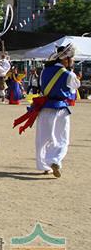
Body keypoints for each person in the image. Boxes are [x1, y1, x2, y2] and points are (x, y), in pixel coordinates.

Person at [32, 45, 80, 177]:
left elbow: (41, 86)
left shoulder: (44, 71)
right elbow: (75, 87)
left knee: (42, 139)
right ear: (66, 60)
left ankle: (44, 166)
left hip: (45, 108)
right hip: (60, 108)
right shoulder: (68, 74)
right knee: (62, 138)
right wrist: (70, 71)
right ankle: (55, 160)